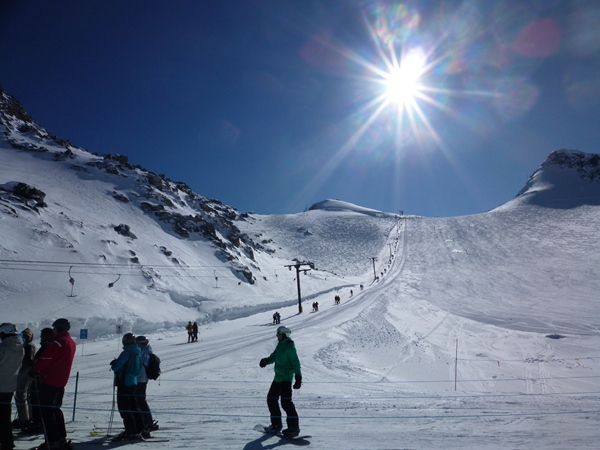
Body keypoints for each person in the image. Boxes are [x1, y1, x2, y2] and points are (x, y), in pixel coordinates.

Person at [32, 318, 76, 450]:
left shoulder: (57, 342)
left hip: (50, 380)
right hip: (60, 381)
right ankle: (60, 438)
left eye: (55, 328)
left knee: (47, 412)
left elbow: (45, 359)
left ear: (60, 329)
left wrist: (34, 370)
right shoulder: (70, 341)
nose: (53, 331)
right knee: (55, 410)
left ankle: (52, 441)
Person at [259, 325, 302, 437]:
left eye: (279, 334)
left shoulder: (289, 347)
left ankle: (294, 427)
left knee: (286, 403)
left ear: (284, 335)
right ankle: (276, 425)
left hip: (286, 379)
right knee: (271, 400)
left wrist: (298, 377)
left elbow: (295, 363)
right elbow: (274, 356)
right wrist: (266, 360)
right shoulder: (280, 345)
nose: (277, 336)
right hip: (277, 378)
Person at [110, 332, 144, 441]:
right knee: (134, 405)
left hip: (124, 382)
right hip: (133, 381)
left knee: (125, 408)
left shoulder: (126, 352)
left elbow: (116, 367)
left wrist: (115, 363)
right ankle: (139, 428)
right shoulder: (137, 351)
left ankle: (130, 431)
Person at [0, 323, 25, 450]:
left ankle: (6, 443)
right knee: (5, 415)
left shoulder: (3, 347)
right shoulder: (20, 347)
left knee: (2, 417)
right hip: (10, 386)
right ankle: (7, 441)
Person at [26, 328, 53, 434]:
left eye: (43, 336)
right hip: (38, 376)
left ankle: (39, 424)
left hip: (41, 378)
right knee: (34, 399)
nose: (42, 338)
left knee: (37, 400)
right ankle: (37, 422)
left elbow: (43, 361)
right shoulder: (45, 346)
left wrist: (35, 367)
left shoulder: (48, 347)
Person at [13, 327, 36, 429]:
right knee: (25, 396)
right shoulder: (28, 345)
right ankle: (28, 418)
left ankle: (24, 419)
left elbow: (28, 361)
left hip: (25, 373)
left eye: (26, 336)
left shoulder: (28, 346)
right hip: (26, 372)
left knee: (20, 395)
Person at [135, 335, 158, 436]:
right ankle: (147, 421)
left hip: (140, 380)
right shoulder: (147, 351)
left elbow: (138, 366)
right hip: (143, 380)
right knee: (141, 401)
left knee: (139, 401)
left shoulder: (142, 352)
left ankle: (146, 422)